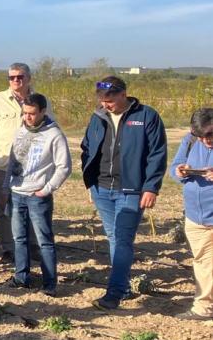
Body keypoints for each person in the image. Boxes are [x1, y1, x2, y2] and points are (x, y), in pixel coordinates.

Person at [81, 76, 167, 310]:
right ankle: (125, 287)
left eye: (109, 100)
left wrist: (151, 187)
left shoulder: (146, 116)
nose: (105, 104)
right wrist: (90, 182)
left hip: (131, 189)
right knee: (114, 238)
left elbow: (157, 153)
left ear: (123, 94)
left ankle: (115, 293)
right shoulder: (98, 117)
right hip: (101, 188)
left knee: (122, 240)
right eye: (102, 100)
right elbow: (87, 148)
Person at [0, 63, 49, 260]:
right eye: (12, 77)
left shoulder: (40, 100)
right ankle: (8, 248)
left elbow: (49, 127)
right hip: (2, 164)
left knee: (34, 205)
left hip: (33, 166)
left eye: (20, 76)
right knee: (3, 207)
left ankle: (33, 246)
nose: (16, 80)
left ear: (29, 78)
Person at [5, 93, 71, 296]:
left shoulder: (54, 134)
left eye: (32, 114)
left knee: (44, 241)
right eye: (25, 113)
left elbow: (64, 167)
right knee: (19, 238)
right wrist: (6, 185)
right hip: (17, 192)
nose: (28, 117)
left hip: (37, 195)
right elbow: (12, 158)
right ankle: (21, 277)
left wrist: (46, 189)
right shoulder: (21, 130)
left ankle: (49, 284)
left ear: (43, 111)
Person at [171, 108, 213, 320]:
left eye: (210, 135)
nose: (206, 141)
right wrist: (180, 171)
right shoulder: (189, 141)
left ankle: (203, 308)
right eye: (201, 136)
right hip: (195, 216)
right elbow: (173, 168)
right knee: (202, 261)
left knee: (207, 263)